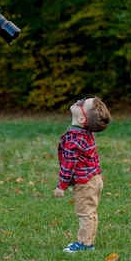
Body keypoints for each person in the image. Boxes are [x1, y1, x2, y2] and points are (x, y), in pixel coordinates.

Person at [54, 96, 111, 252]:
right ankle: (89, 240)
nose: (78, 101)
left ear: (81, 118)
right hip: (94, 178)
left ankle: (85, 244)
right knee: (90, 212)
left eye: (81, 104)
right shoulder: (85, 133)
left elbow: (68, 165)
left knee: (84, 213)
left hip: (85, 182)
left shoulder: (74, 138)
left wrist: (61, 185)